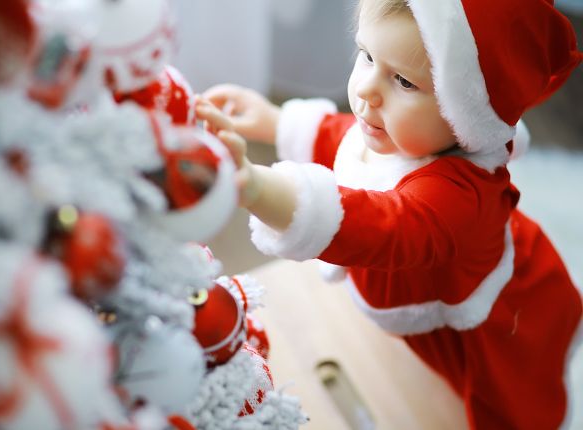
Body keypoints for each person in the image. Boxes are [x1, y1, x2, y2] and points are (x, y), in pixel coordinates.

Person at [195, 0, 583, 428]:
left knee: (510, 406)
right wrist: (275, 122)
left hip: (502, 319)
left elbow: (384, 225)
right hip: (430, 290)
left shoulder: (460, 200)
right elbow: (347, 144)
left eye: (403, 81)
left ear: (465, 113)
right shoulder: (409, 135)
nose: (365, 90)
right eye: (366, 56)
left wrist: (257, 187)